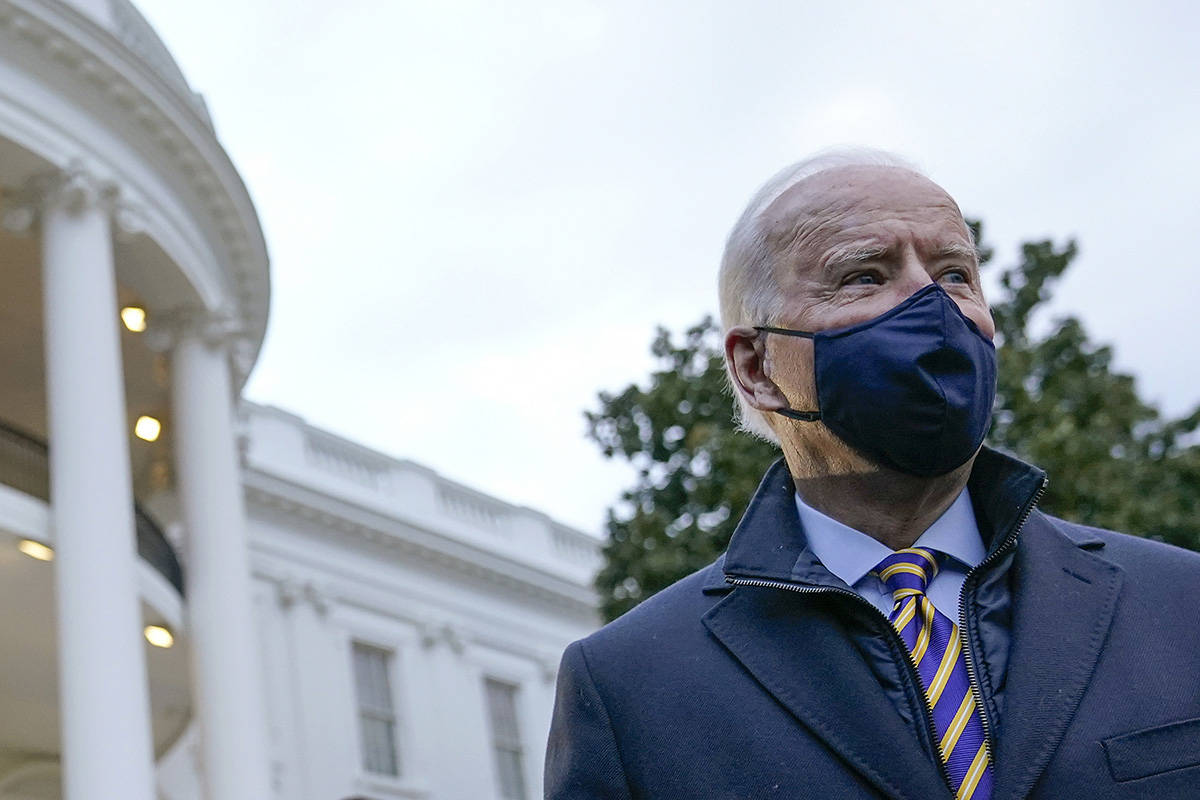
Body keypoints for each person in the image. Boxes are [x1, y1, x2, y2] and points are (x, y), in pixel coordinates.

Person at [545, 149, 1200, 799]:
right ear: (756, 366)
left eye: (954, 274)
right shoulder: (628, 690)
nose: (932, 305)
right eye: (864, 275)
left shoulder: (1182, 605)